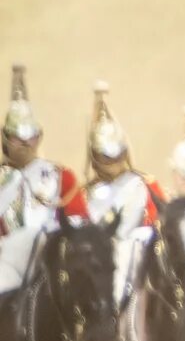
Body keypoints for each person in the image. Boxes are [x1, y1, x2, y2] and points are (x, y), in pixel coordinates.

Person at [1, 65, 85, 232]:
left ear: (39, 136)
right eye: (17, 136)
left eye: (30, 136)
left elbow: (79, 223)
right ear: (5, 137)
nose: (25, 142)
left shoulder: (61, 176)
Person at [78, 83, 158, 229]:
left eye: (117, 155)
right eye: (105, 157)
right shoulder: (83, 194)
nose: (112, 162)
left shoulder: (145, 185)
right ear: (95, 155)